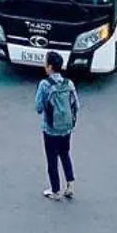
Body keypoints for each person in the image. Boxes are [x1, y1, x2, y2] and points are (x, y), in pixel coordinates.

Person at [34, 52, 79, 200]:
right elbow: (76, 105)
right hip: (66, 128)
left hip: (50, 129)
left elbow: (39, 107)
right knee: (65, 154)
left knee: (52, 160)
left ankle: (55, 190)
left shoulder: (45, 85)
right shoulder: (69, 83)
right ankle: (70, 184)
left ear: (50, 67)